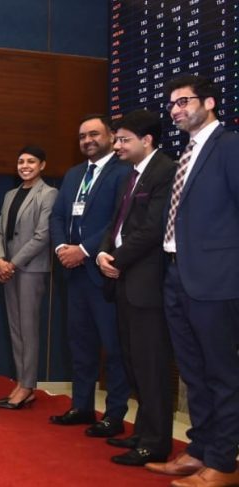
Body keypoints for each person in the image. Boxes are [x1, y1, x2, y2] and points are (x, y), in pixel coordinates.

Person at [144, 74, 239, 486]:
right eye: (172, 104)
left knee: (221, 373)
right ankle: (199, 449)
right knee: (192, 371)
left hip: (217, 279)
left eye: (184, 101)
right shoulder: (186, 152)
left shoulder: (229, 147)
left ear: (210, 102)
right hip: (176, 273)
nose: (175, 110)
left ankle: (224, 462)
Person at [93, 109, 176, 466]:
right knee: (133, 361)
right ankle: (143, 431)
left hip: (147, 283)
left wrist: (117, 258)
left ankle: (156, 443)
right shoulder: (132, 174)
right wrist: (103, 252)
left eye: (124, 140)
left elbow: (153, 229)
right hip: (124, 280)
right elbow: (117, 223)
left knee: (151, 364)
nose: (117, 146)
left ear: (147, 140)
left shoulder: (166, 171)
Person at [48, 114, 131, 437]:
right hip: (74, 276)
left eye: (94, 134)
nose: (87, 141)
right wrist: (61, 249)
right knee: (80, 345)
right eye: (82, 136)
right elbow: (57, 216)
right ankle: (81, 406)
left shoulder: (124, 171)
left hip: (104, 273)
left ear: (110, 136)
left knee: (113, 347)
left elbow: (118, 219)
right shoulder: (73, 175)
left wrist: (82, 250)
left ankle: (114, 414)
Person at [0, 146, 57, 409]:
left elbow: (43, 236)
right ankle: (22, 383)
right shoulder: (10, 194)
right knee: (16, 328)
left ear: (42, 165)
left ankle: (28, 385)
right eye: (21, 161)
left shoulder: (49, 194)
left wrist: (12, 264)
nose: (25, 166)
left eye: (31, 161)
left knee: (28, 329)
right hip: (8, 268)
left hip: (30, 269)